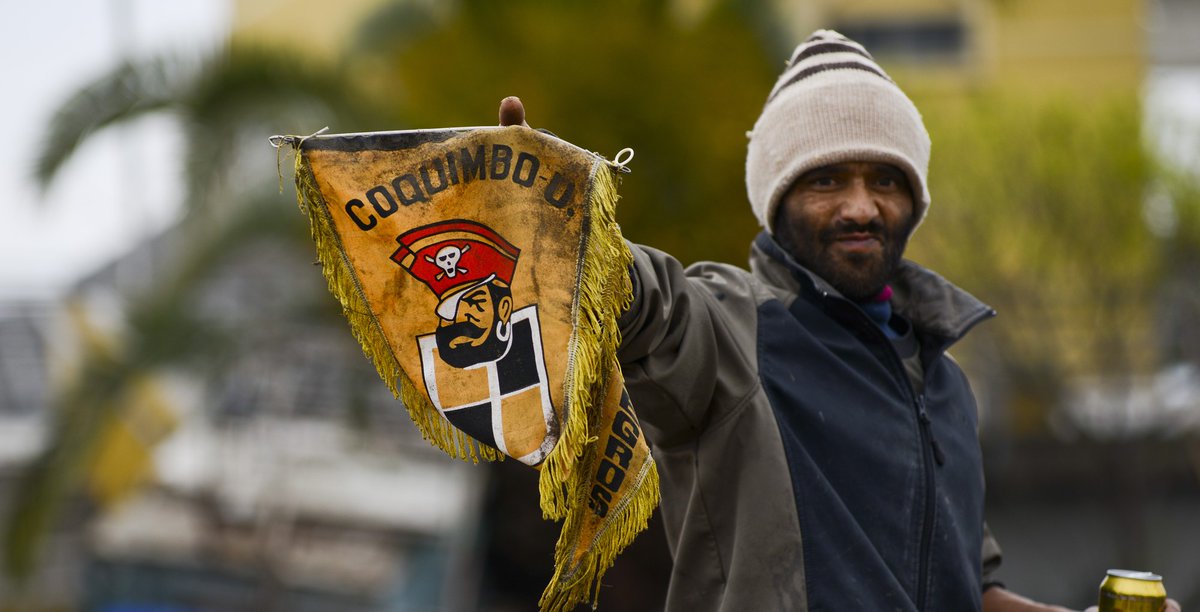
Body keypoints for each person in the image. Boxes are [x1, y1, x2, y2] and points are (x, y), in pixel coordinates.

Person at [499, 30, 1181, 612]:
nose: (861, 207)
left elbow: (966, 589)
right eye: (827, 181)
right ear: (777, 200)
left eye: (885, 180)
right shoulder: (731, 330)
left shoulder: (943, 383)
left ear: (913, 200)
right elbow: (642, 298)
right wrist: (556, 226)